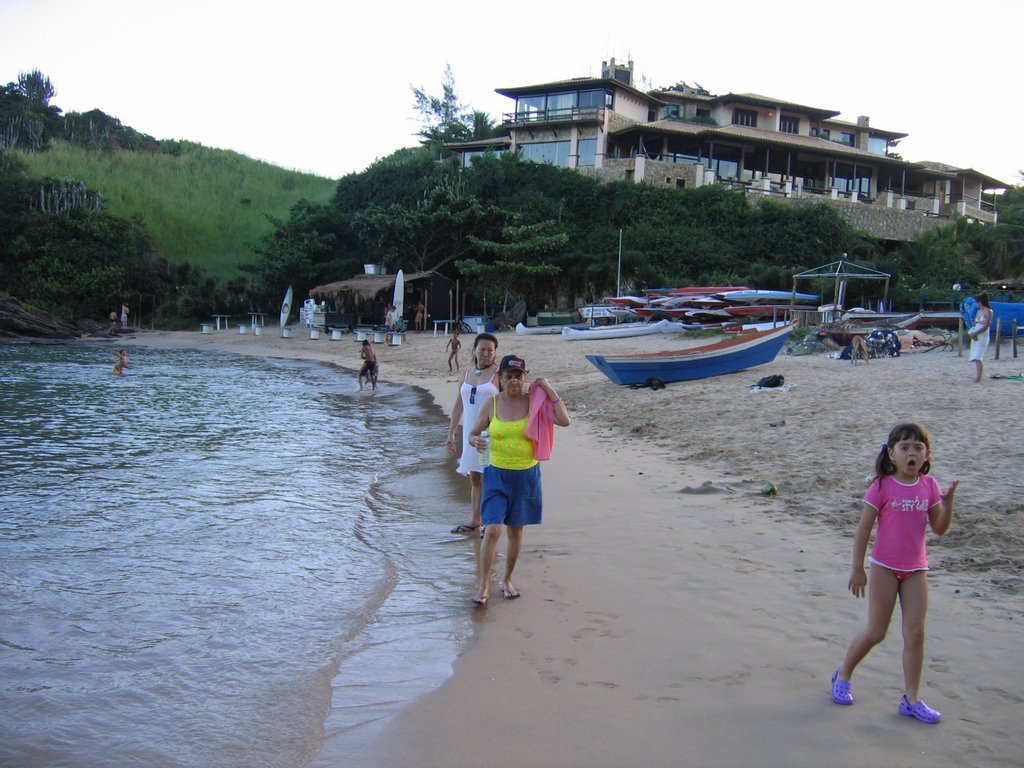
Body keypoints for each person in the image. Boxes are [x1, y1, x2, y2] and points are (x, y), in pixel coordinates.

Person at [831, 423, 958, 724]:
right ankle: (843, 675)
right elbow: (864, 529)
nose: (911, 453)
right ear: (892, 454)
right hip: (884, 569)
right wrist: (857, 568)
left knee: (915, 633)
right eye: (905, 448)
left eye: (918, 448)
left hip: (916, 571)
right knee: (876, 632)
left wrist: (948, 503)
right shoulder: (882, 486)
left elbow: (939, 528)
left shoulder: (929, 486)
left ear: (926, 454)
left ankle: (911, 699)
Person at [466, 354, 571, 605]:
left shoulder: (535, 402)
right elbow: (473, 433)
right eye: (509, 376)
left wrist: (548, 388)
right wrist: (475, 440)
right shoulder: (491, 404)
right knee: (492, 529)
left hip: (526, 475)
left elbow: (564, 420)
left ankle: (507, 580)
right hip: (496, 475)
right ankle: (484, 585)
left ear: (525, 378)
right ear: (500, 379)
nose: (514, 381)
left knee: (515, 530)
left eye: (518, 376)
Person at [446, 333, 499, 535]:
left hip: (491, 434)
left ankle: (489, 521)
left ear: (495, 353)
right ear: (474, 350)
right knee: (475, 478)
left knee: (490, 478)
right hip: (470, 433)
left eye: (490, 350)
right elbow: (458, 405)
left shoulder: (499, 374)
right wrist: (451, 433)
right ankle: (475, 521)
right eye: (482, 349)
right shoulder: (467, 372)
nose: (485, 353)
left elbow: (507, 402)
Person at [968, 291, 993, 383]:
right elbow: (975, 324)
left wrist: (976, 333)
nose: (976, 304)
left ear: (980, 302)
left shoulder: (988, 311)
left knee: (978, 355)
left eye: (976, 302)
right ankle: (978, 376)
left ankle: (979, 377)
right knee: (976, 356)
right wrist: (973, 333)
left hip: (983, 334)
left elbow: (986, 326)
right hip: (976, 333)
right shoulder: (978, 312)